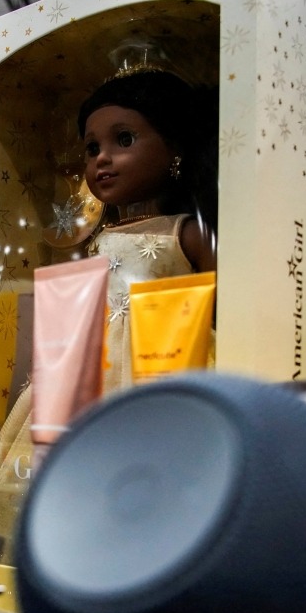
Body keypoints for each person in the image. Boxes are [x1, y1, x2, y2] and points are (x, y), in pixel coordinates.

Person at [78, 67, 218, 393]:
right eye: (92, 148)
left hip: (166, 361)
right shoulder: (98, 239)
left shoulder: (183, 233)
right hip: (97, 363)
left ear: (175, 148)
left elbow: (225, 306)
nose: (102, 158)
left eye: (124, 139)